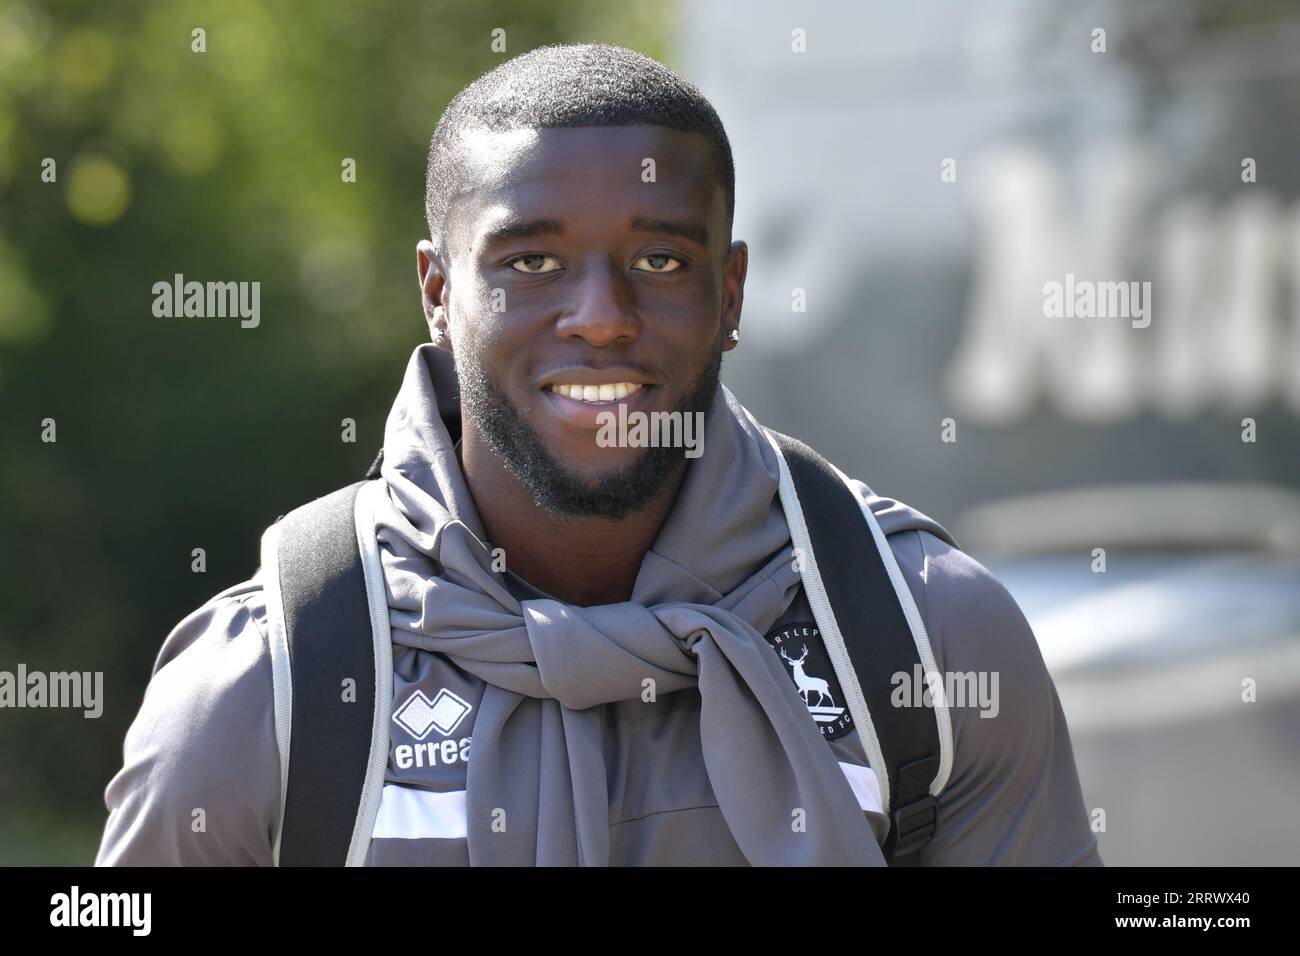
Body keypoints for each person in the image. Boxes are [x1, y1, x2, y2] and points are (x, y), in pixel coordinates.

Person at [95, 42, 1101, 867]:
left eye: (659, 260)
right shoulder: (268, 688)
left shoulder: (924, 638)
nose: (601, 319)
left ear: (733, 293)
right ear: (438, 293)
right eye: (530, 262)